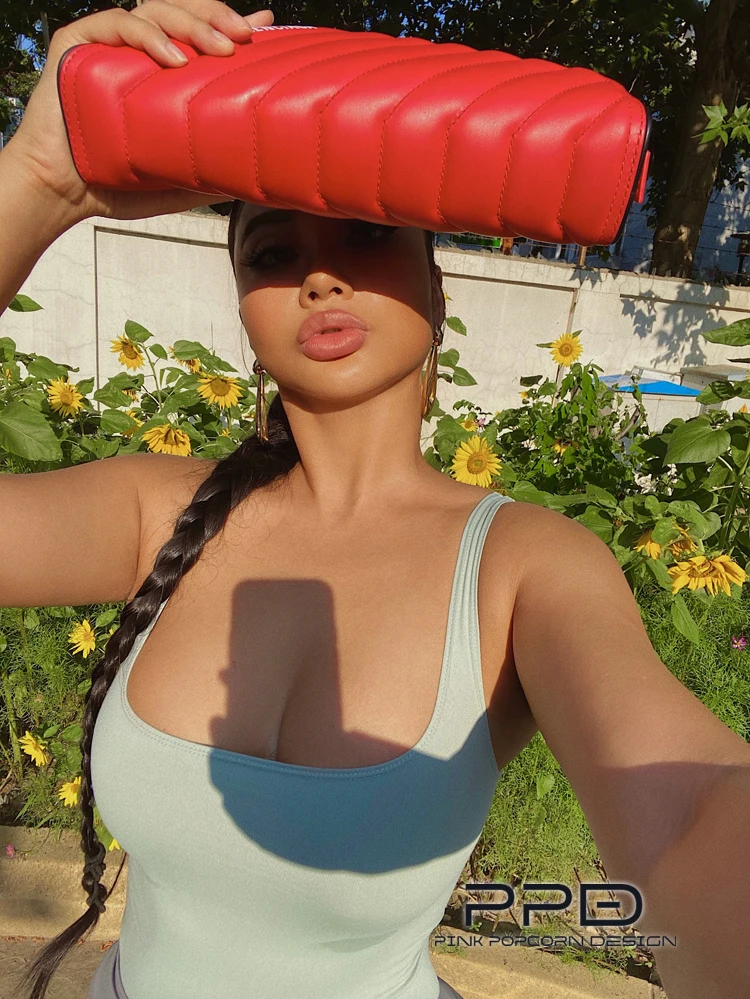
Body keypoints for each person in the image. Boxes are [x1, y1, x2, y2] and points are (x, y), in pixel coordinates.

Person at [1, 3, 749, 999]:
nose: (320, 276)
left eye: (365, 235)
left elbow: (689, 808)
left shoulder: (523, 566)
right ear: (242, 307)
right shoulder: (154, 509)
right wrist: (38, 184)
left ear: (438, 292)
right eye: (273, 253)